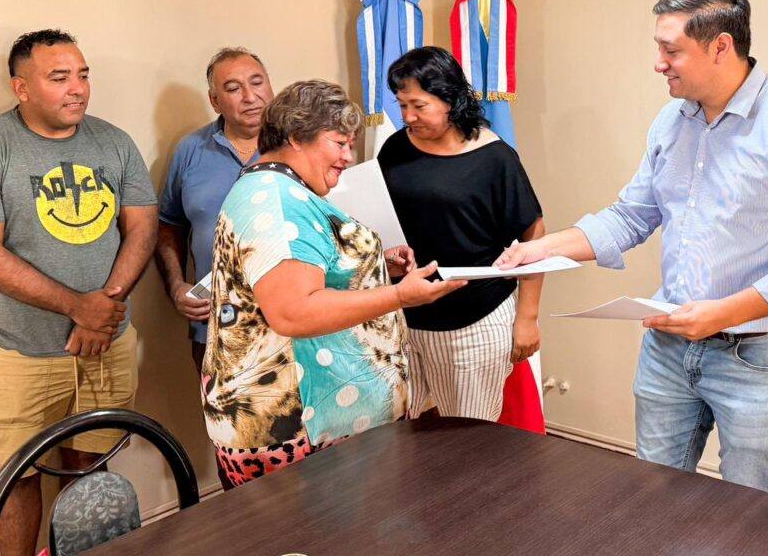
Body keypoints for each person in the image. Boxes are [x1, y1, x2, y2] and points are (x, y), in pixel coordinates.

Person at [497, 0, 768, 495]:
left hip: (758, 355)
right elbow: (631, 216)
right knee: (654, 495)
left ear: (720, 47)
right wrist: (541, 249)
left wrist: (724, 313)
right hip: (668, 347)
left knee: (748, 507)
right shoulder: (673, 120)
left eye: (671, 50)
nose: (659, 64)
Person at [0, 29, 158, 556]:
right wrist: (78, 307)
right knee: (17, 479)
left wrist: (103, 309)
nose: (77, 88)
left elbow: (143, 227)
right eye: (59, 78)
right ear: (21, 88)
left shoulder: (115, 142)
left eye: (83, 75)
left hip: (107, 344)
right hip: (20, 354)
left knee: (93, 469)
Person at [201, 79, 465, 486]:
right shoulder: (277, 199)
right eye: (339, 143)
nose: (348, 157)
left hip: (320, 423)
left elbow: (302, 272)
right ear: (295, 136)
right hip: (298, 426)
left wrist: (370, 267)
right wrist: (399, 295)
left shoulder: (279, 188)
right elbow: (294, 311)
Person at [378, 47, 545, 422]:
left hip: (474, 321)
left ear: (450, 100)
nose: (407, 117)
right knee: (402, 436)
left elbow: (534, 235)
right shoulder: (395, 148)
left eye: (419, 106)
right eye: (402, 105)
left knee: (467, 439)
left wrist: (527, 318)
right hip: (404, 317)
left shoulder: (494, 157)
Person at [155, 47, 275, 373]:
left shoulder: (299, 143)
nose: (250, 97)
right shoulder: (191, 150)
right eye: (234, 88)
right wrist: (176, 285)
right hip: (216, 329)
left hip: (290, 326)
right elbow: (168, 225)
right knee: (220, 409)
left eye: (257, 83)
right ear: (215, 101)